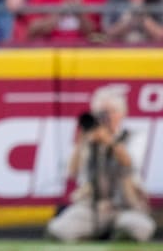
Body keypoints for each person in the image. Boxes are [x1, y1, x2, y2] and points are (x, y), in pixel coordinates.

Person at [47, 86, 156, 242]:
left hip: (126, 204)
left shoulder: (134, 137)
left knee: (136, 228)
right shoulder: (88, 139)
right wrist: (81, 143)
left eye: (109, 112)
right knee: (57, 230)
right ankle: (93, 231)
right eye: (99, 113)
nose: (104, 117)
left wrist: (109, 141)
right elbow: (71, 172)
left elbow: (129, 162)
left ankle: (111, 232)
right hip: (92, 206)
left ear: (122, 113)